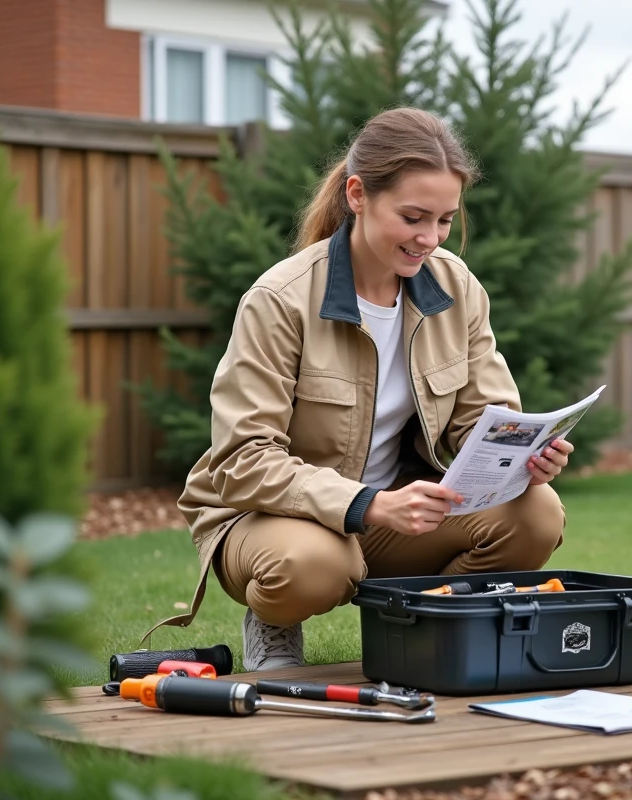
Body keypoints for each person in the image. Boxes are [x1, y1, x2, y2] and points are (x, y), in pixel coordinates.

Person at [142, 107, 573, 671]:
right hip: (273, 520)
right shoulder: (280, 300)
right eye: (413, 217)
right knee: (314, 565)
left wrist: (522, 457)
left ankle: (423, 630)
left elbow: (482, 420)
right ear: (357, 195)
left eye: (444, 220)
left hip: (396, 514)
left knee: (536, 514)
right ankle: (273, 619)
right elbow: (243, 459)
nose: (430, 239)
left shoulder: (456, 287)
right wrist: (367, 504)